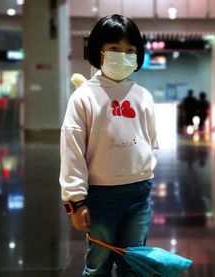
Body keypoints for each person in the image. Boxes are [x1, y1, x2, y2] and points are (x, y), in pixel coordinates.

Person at [59, 14, 158, 277]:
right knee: (98, 264)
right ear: (98, 51)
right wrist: (75, 202)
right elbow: (72, 151)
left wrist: (145, 171)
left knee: (134, 263)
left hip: (139, 193)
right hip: (101, 196)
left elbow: (151, 141)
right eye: (115, 49)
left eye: (130, 50)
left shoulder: (143, 96)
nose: (123, 55)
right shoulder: (84, 98)